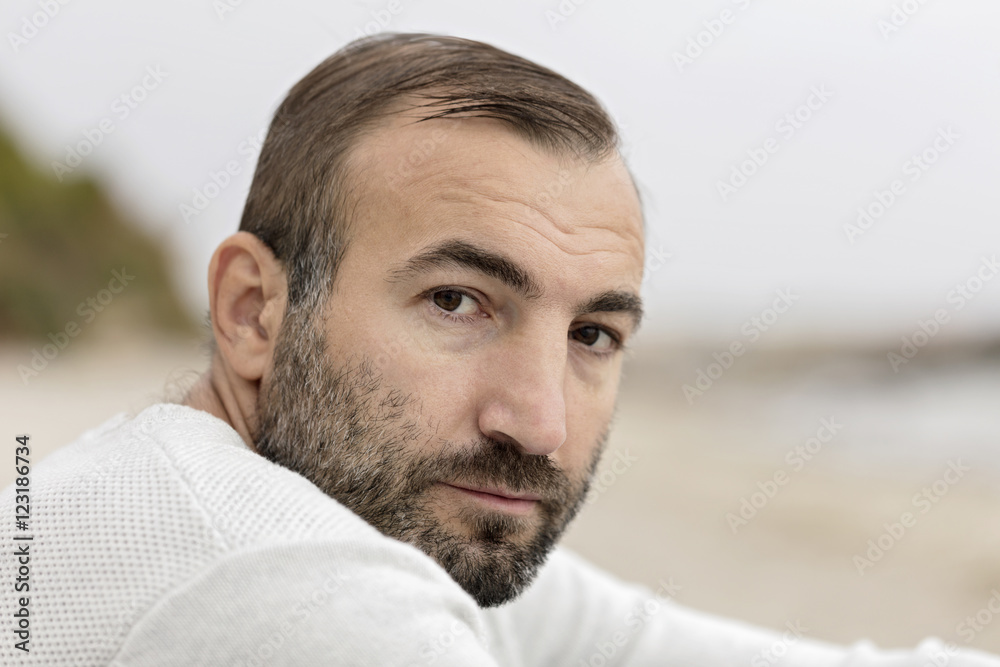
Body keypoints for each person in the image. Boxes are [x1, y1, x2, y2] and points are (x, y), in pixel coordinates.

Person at [1, 32, 997, 666]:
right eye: (458, 301)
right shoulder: (278, 577)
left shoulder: (320, 509)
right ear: (254, 311)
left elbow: (637, 647)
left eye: (592, 334)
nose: (537, 420)